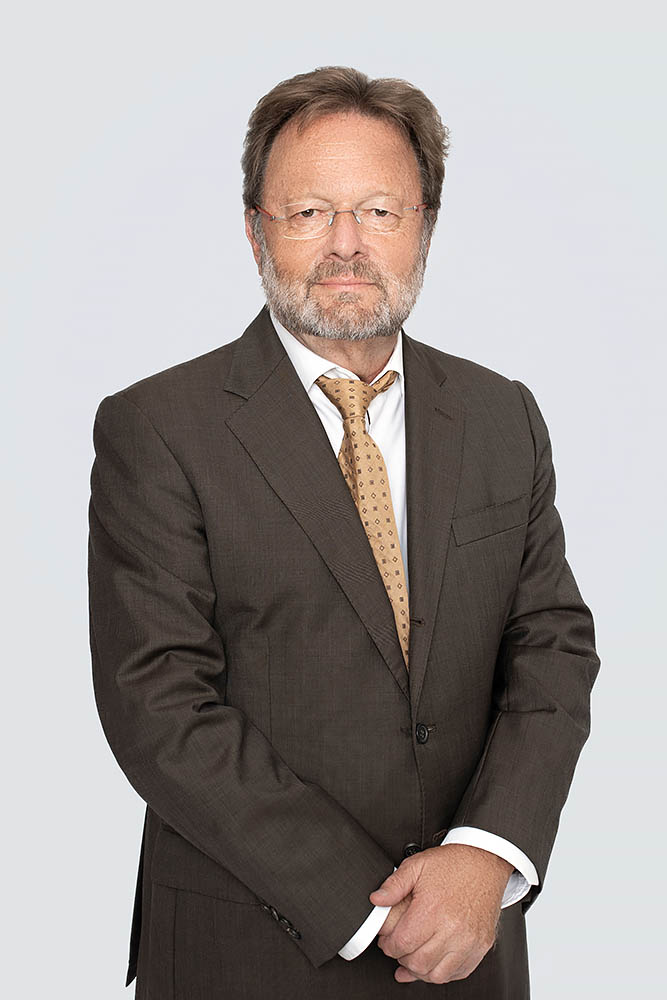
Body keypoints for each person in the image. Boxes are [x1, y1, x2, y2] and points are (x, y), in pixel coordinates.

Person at [88, 65, 601, 998]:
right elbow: (158, 706)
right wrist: (368, 906)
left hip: (466, 945)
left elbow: (552, 648)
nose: (347, 245)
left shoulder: (501, 416)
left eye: (379, 211)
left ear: (424, 228)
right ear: (255, 231)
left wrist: (486, 854)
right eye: (308, 212)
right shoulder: (158, 428)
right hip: (245, 946)